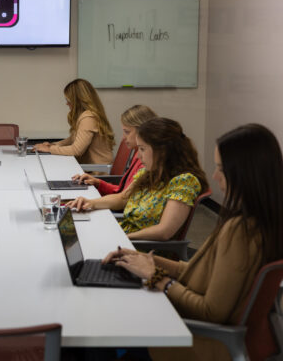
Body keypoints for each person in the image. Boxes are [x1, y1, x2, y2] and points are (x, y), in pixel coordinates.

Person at [103, 124, 283, 361]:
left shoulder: (240, 231)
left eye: (221, 168)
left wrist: (156, 277)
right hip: (208, 333)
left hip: (200, 341)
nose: (215, 176)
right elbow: (203, 274)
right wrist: (145, 261)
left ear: (244, 173)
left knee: (101, 331)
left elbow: (210, 311)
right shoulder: (265, 221)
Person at [67, 118, 208, 241]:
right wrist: (91, 203)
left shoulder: (184, 182)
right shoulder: (147, 173)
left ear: (162, 151)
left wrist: (123, 237)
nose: (139, 157)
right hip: (122, 238)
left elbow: (164, 232)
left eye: (142, 149)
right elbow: (122, 199)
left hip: (141, 251)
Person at [71, 104, 157, 195]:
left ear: (143, 131)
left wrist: (90, 203)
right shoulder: (138, 153)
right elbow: (123, 191)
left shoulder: (147, 160)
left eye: (127, 132)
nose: (123, 137)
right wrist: (98, 183)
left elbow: (123, 198)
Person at [33, 78, 115, 166]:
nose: (67, 103)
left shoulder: (88, 118)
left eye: (68, 100)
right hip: (91, 168)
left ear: (77, 101)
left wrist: (50, 149)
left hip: (98, 171)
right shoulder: (86, 115)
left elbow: (76, 150)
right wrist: (52, 145)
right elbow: (72, 139)